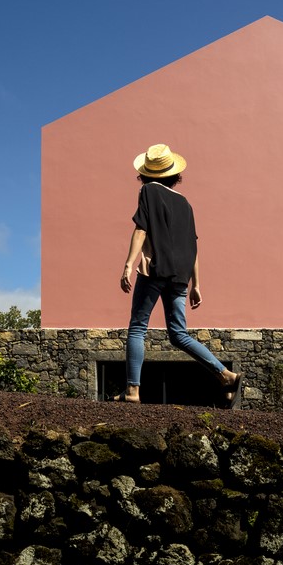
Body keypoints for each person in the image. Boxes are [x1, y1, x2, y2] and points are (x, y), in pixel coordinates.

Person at [117, 143, 242, 406]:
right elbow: (193, 246)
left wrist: (129, 263)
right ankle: (225, 375)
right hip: (180, 275)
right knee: (178, 334)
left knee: (138, 328)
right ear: (174, 174)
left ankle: (132, 391)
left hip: (155, 269)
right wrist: (197, 283)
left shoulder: (148, 191)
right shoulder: (186, 204)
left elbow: (141, 230)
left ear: (146, 173)